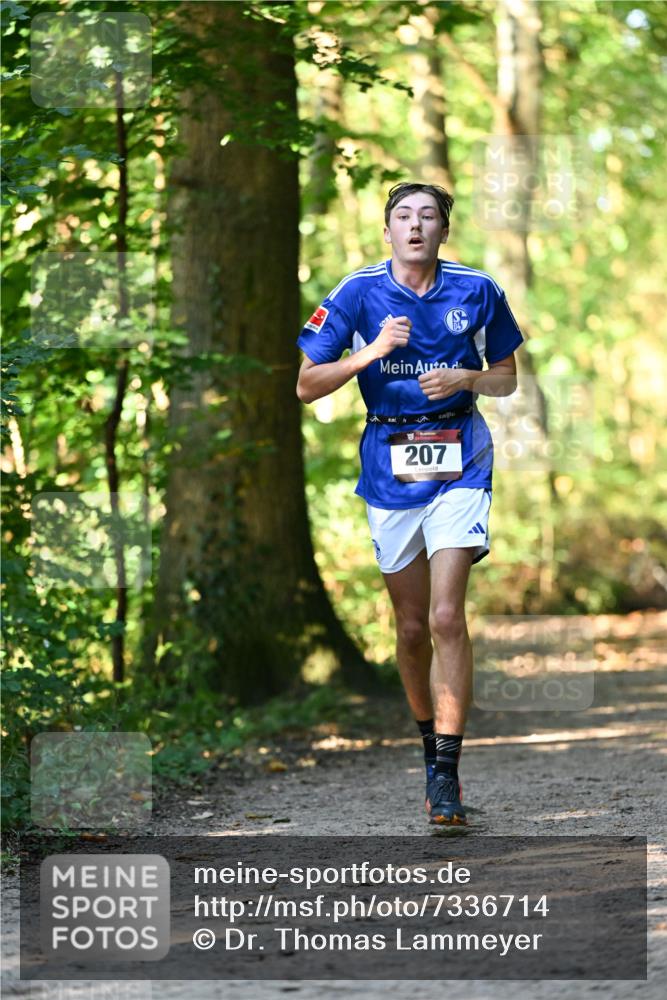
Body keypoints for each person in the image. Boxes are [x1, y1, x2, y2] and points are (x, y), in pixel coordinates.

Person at [296, 182, 523, 825]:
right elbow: (306, 385)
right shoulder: (356, 292)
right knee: (412, 627)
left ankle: (447, 774)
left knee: (449, 616)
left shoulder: (476, 288)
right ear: (387, 231)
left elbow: (507, 377)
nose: (416, 226)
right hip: (388, 462)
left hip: (461, 457)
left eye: (428, 216)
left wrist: (469, 377)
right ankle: (429, 748)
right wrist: (369, 352)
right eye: (404, 216)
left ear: (443, 231)